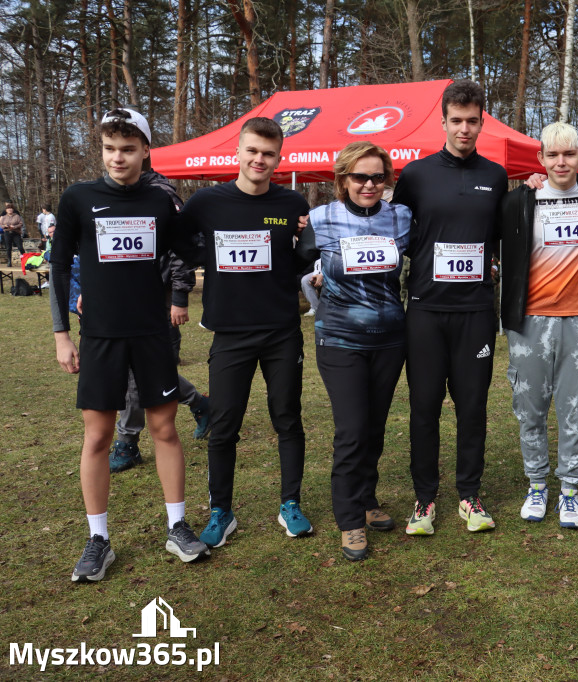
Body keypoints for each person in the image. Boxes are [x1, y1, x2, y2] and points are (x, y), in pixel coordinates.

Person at [49, 107, 209, 582]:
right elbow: (58, 269)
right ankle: (98, 538)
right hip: (99, 336)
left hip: (152, 333)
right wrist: (61, 335)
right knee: (98, 436)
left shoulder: (162, 201)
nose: (118, 158)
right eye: (110, 149)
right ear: (102, 150)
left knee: (164, 430)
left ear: (145, 150)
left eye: (128, 148)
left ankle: (177, 525)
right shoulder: (78, 198)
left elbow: (194, 249)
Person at [179, 117, 315, 549]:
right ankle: (222, 510)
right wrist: (210, 259)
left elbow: (298, 261)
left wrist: (301, 251)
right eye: (252, 151)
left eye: (269, 153)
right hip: (231, 331)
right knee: (223, 424)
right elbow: (181, 244)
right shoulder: (207, 201)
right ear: (238, 151)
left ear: (279, 158)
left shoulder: (292, 202)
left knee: (287, 419)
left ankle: (289, 503)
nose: (260, 159)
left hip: (280, 330)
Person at [393, 80, 507, 535]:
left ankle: (469, 494)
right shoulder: (416, 175)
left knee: (472, 406)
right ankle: (424, 500)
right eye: (456, 121)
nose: (464, 128)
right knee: (423, 407)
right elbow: (390, 233)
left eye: (472, 121)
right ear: (443, 122)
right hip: (424, 310)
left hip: (476, 311)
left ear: (482, 122)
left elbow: (507, 234)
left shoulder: (496, 176)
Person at [500, 122, 578, 529]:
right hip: (529, 321)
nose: (561, 162)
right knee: (530, 409)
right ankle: (537, 485)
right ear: (540, 159)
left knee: (575, 410)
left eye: (569, 153)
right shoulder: (522, 199)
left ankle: (569, 490)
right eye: (552, 155)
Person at [306, 142, 412, 560]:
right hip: (339, 339)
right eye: (359, 177)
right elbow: (300, 262)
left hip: (389, 340)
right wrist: (313, 275)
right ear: (342, 179)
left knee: (374, 427)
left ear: (387, 179)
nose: (368, 184)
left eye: (377, 177)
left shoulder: (401, 218)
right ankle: (349, 520)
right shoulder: (319, 218)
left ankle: (367, 501)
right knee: (351, 430)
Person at [108, 169, 210, 473]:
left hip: (156, 298)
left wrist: (179, 296)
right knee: (147, 371)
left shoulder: (160, 194)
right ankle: (200, 403)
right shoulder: (109, 194)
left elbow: (180, 249)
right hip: (121, 300)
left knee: (138, 375)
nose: (118, 158)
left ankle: (127, 442)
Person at [2, 201, 26, 265]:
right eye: (8, 209)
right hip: (7, 232)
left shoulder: (17, 216)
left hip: (16, 232)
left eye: (11, 208)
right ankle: (9, 261)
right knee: (8, 248)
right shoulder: (4, 217)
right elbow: (1, 225)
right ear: (6, 210)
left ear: (13, 210)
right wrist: (5, 226)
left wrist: (15, 226)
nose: (10, 210)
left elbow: (21, 224)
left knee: (20, 247)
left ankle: (25, 259)